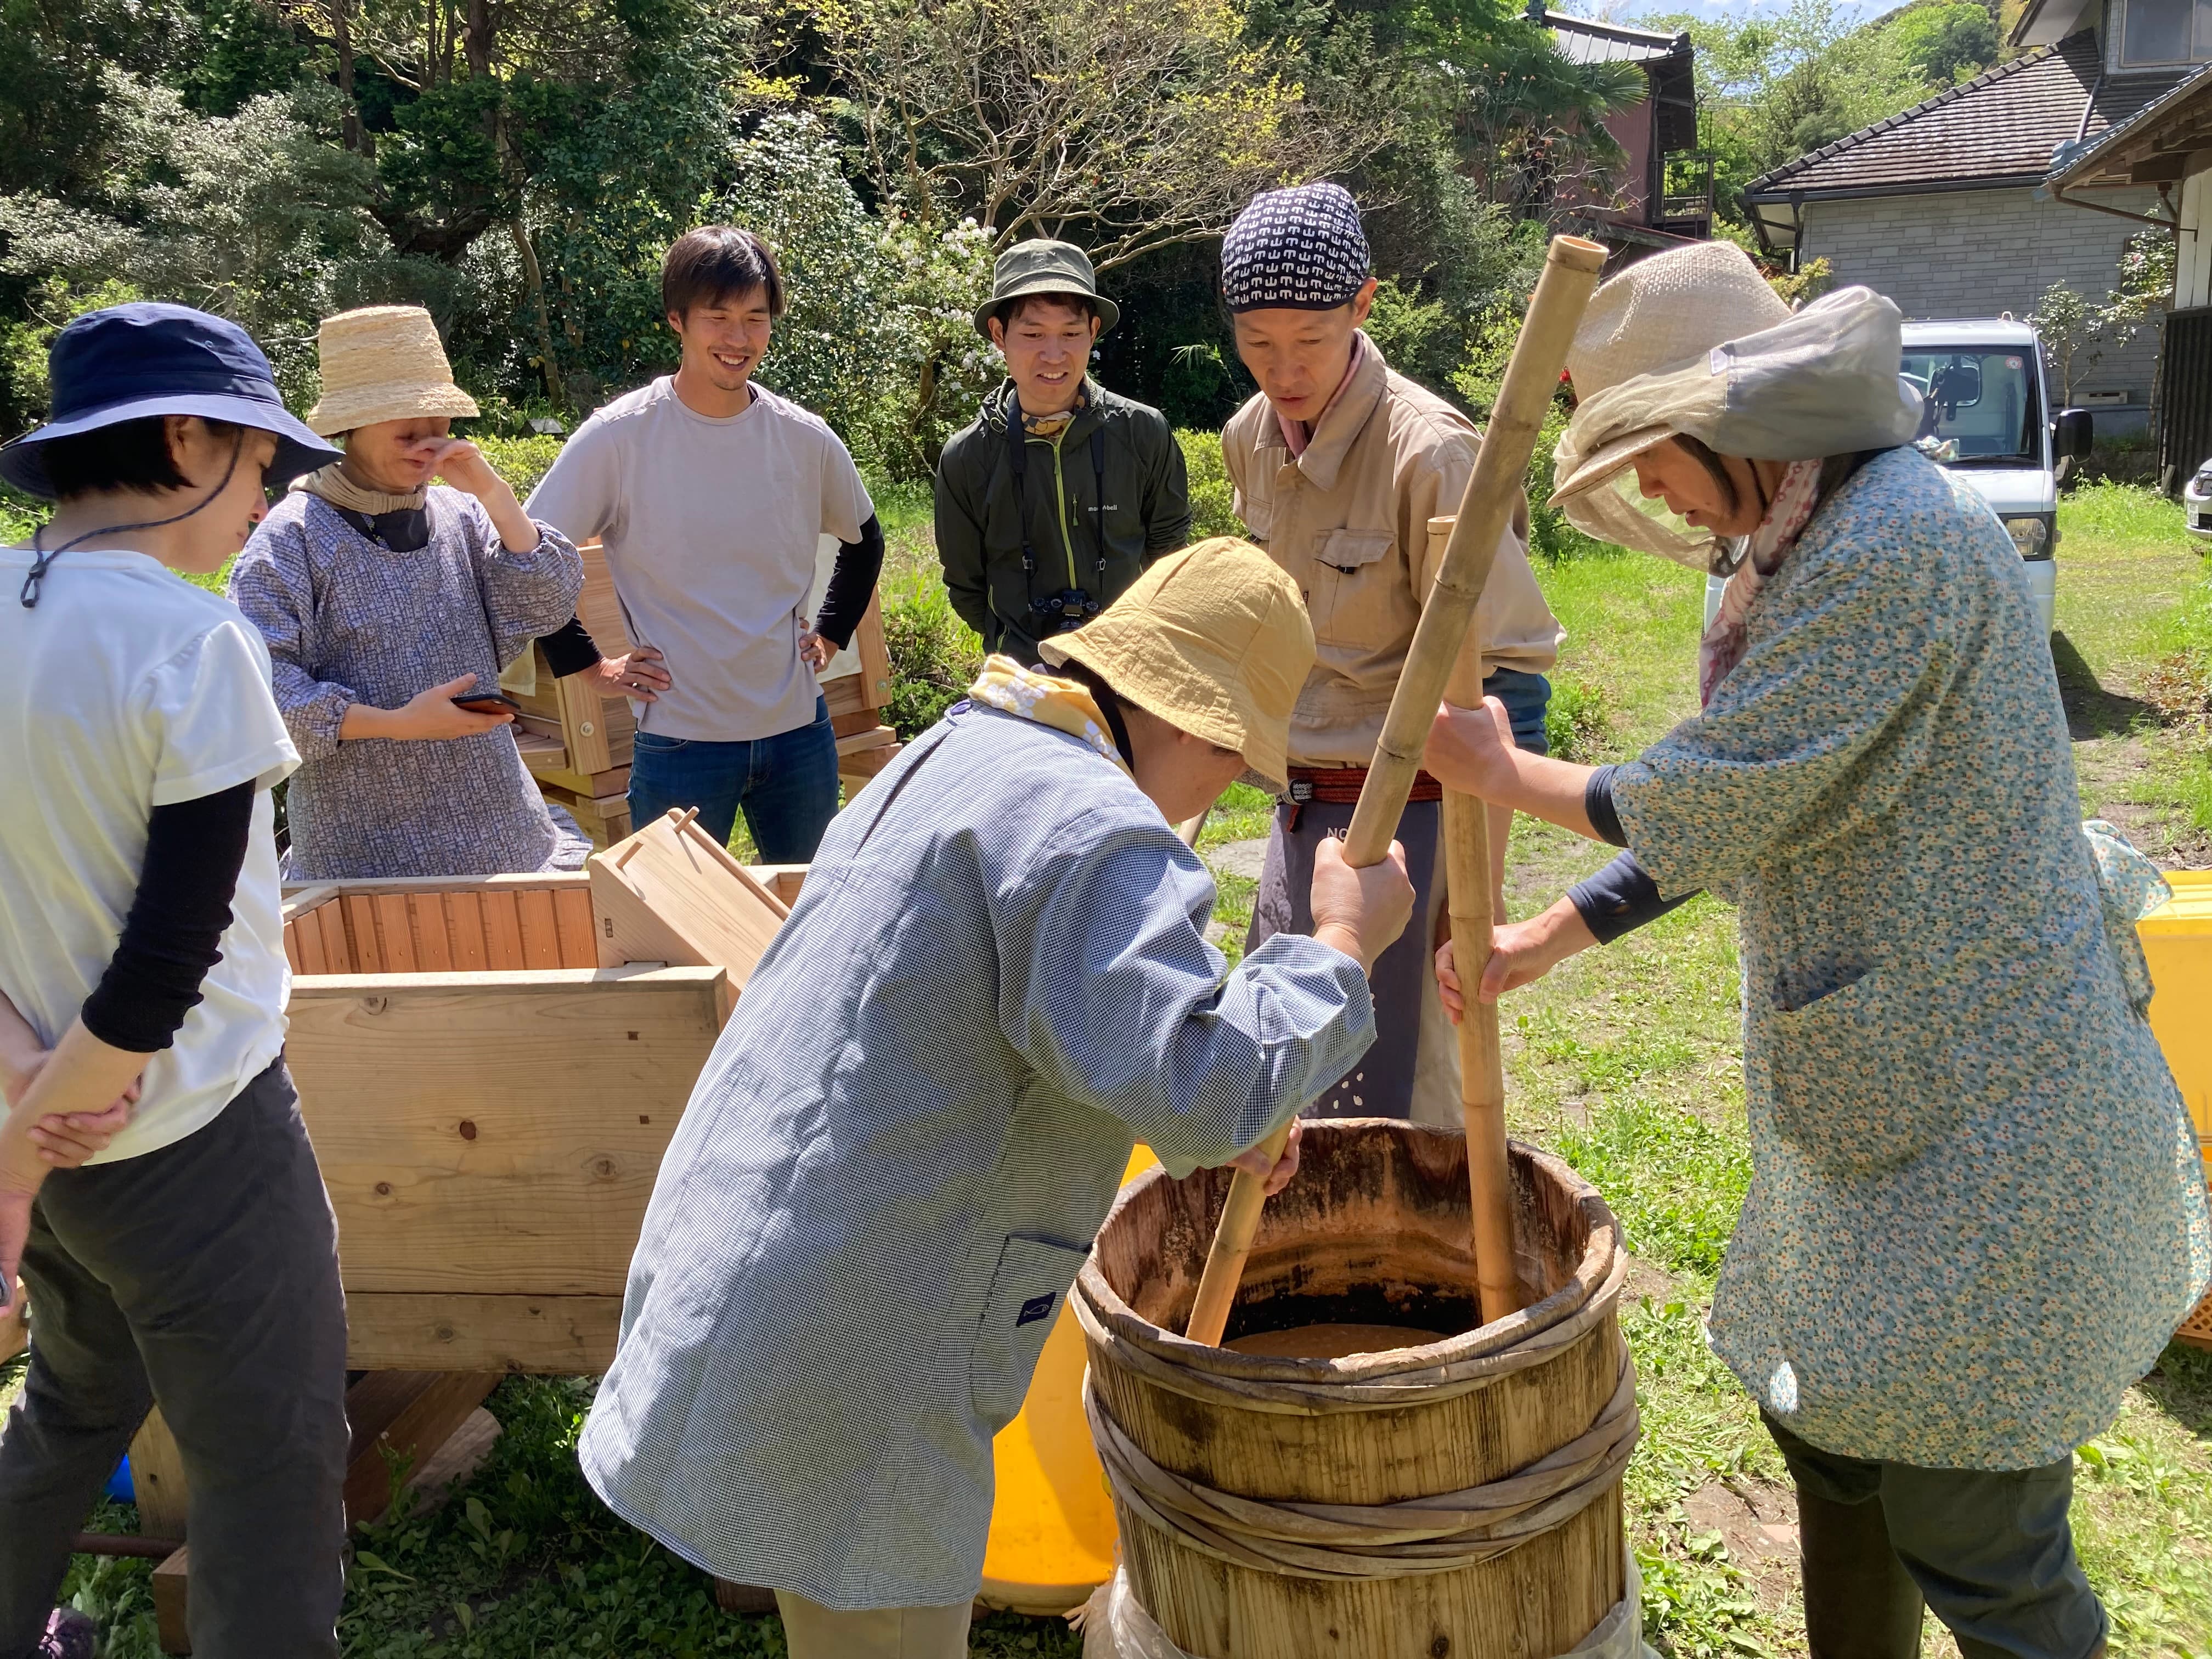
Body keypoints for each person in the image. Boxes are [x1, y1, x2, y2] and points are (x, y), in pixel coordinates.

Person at [1426, 240, 2212, 1659]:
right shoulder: (1802, 538)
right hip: (1888, 1098)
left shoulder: (1894, 544)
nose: (1654, 492)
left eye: (1656, 456)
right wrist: (1553, 929)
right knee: (1833, 1437)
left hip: (1990, 1105)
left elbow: (1724, 784)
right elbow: (1768, 801)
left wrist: (1502, 774)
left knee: (1974, 1523)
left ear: (1730, 429)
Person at [577, 538, 1414, 1659]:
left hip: (770, 1269)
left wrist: (1236, 1110)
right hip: (853, 1334)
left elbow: (1075, 1029)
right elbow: (1202, 1085)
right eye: (1236, 763)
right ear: (1190, 724)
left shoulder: (964, 753)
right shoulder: (1098, 831)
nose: (1225, 788)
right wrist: (1345, 942)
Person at [0, 303, 353, 1659]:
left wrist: (26, 1110)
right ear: (189, 439)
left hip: (66, 1132)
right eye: (263, 457)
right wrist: (19, 1156)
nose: (268, 492)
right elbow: (166, 964)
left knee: (76, 1408)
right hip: (194, 1142)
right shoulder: (191, 641)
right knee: (268, 1470)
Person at [1218, 180, 1565, 1126]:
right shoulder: (1248, 439)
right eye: (1256, 343)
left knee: (1408, 1104)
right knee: (1290, 1078)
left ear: (1364, 306)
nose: (1282, 371)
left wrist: (1478, 905)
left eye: (1310, 341)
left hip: (1412, 814)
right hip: (1298, 812)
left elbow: (1510, 681)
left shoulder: (1433, 452)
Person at [526, 226, 884, 860]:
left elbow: (867, 541)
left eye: (755, 317)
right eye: (717, 317)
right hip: (680, 743)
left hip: (799, 735)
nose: (738, 339)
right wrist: (591, 667)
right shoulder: (620, 438)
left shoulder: (804, 439)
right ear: (677, 321)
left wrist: (831, 632)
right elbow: (526, 560)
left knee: (810, 924)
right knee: (673, 936)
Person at [228, 304, 590, 880]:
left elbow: (547, 601)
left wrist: (495, 494)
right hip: (362, 853)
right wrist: (397, 722)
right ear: (351, 426)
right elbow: (259, 692)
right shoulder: (290, 538)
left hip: (500, 830)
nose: (428, 442)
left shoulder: (462, 513)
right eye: (408, 426)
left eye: (439, 423)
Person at [934, 239, 1190, 663]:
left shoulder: (1144, 432)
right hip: (1022, 676)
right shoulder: (967, 457)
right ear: (1000, 335)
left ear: (1093, 331)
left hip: (1129, 667)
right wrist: (1015, 643)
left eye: (1071, 333)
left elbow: (1169, 555)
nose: (1054, 355)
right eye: (1033, 334)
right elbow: (967, 586)